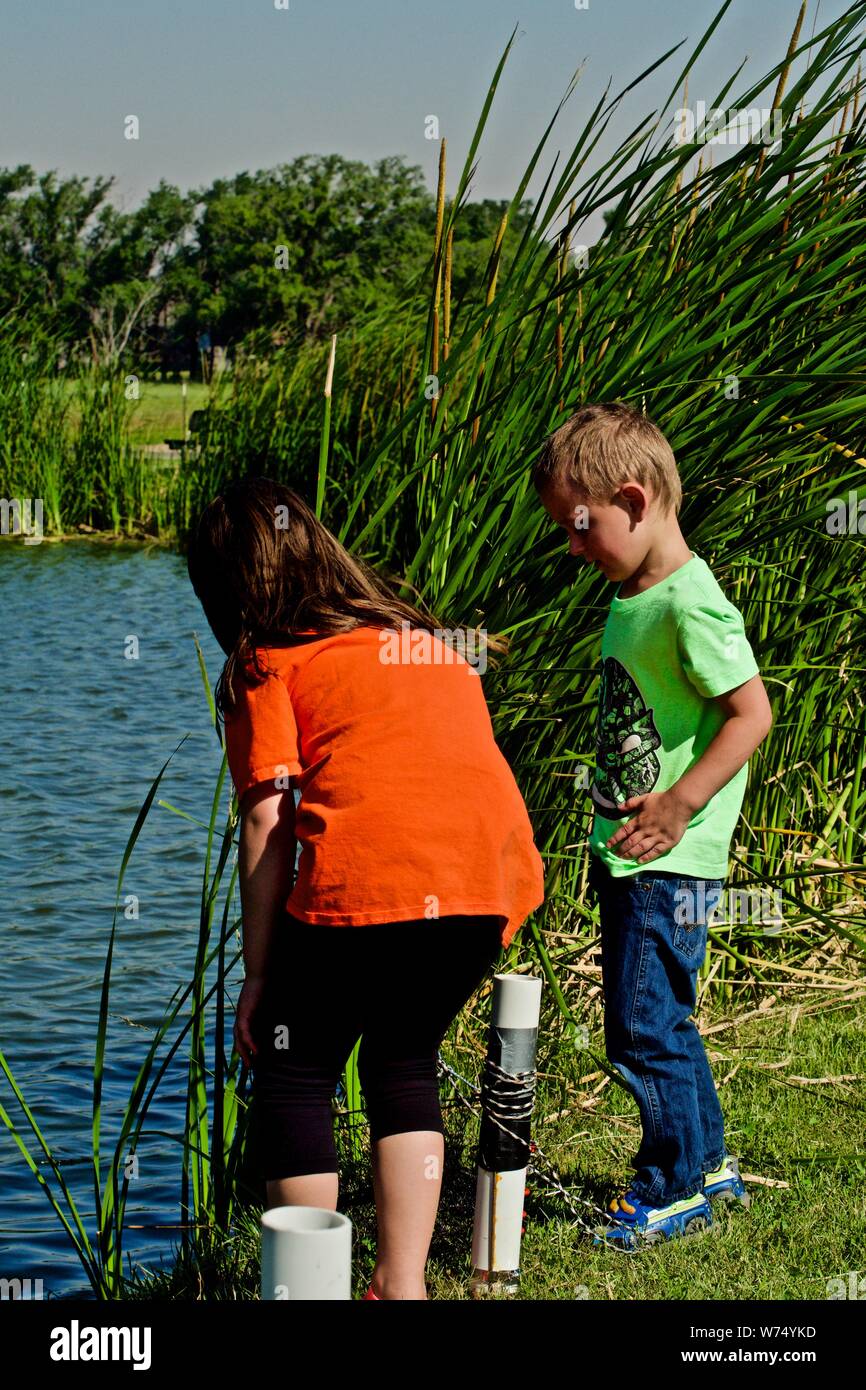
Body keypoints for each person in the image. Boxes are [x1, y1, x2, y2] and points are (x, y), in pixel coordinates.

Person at [186, 476, 545, 1297]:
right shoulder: (417, 637)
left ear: (228, 590)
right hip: (482, 886)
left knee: (297, 1067)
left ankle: (310, 1287)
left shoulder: (267, 661)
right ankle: (400, 1285)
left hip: (376, 879)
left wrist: (259, 976)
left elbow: (268, 822)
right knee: (404, 1061)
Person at [533, 402, 773, 1249]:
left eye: (579, 526)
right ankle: (707, 1166)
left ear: (633, 500)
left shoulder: (689, 603)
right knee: (663, 1017)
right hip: (635, 855)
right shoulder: (639, 593)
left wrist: (679, 805)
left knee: (640, 1030)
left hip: (668, 859)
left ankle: (669, 1187)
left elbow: (752, 713)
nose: (572, 547)